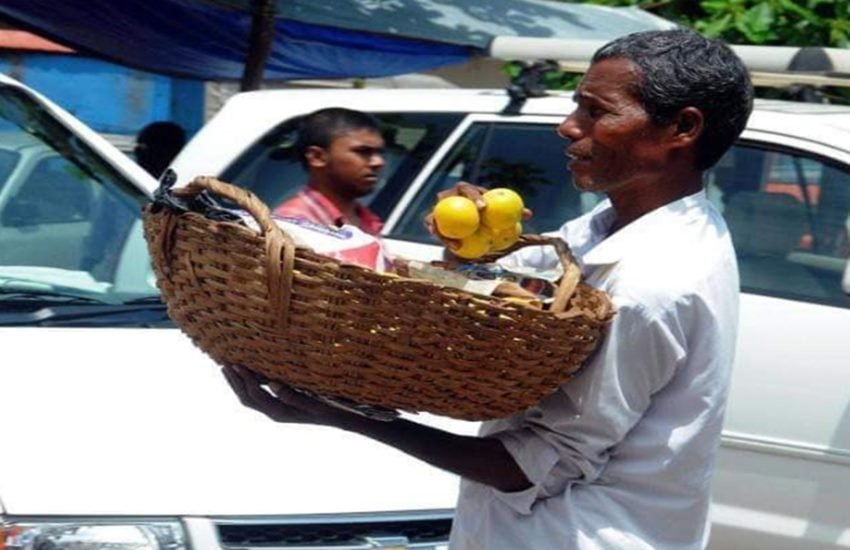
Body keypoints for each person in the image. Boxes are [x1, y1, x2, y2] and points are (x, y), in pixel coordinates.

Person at [221, 28, 754, 550]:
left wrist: (343, 415)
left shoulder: (656, 279)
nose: (568, 128)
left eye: (596, 112)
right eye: (577, 107)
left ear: (681, 129)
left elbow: (532, 466)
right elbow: (504, 286)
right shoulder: (606, 228)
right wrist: (467, 243)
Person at [273, 107, 386, 236]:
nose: (378, 162)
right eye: (363, 152)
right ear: (317, 157)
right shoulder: (293, 226)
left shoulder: (368, 221)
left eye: (380, 152)